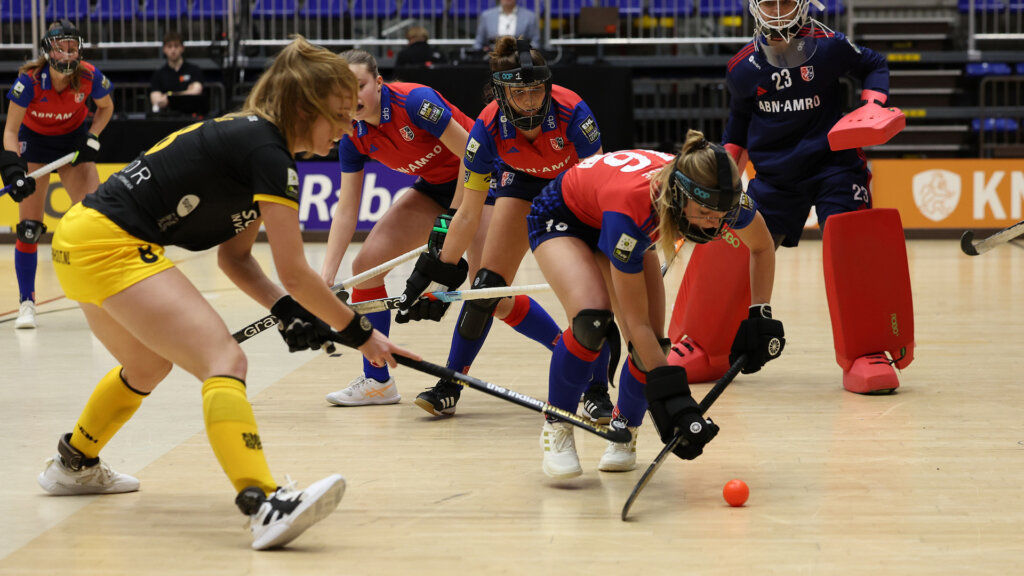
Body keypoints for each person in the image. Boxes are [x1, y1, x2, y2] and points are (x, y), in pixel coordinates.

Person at [35, 36, 416, 550]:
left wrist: (286, 310)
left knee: (147, 366)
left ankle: (73, 463)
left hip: (79, 240)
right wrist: (361, 333)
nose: (349, 128)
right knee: (225, 361)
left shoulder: (258, 145)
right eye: (341, 115)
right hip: (108, 243)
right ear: (308, 108)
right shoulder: (266, 151)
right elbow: (296, 271)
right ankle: (264, 504)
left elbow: (235, 259)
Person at [668, 0, 909, 394]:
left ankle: (867, 354)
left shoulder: (829, 45)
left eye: (785, 0)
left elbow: (874, 63)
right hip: (775, 177)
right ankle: (705, 346)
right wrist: (719, 176)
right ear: (754, 6)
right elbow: (738, 127)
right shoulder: (742, 68)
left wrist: (871, 105)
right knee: (731, 244)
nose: (777, 10)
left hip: (834, 167)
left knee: (852, 244)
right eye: (770, 1)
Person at [525, 132, 784, 478]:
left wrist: (760, 313)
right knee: (592, 321)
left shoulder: (721, 197)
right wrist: (675, 400)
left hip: (613, 215)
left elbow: (762, 247)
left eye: (723, 216)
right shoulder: (634, 209)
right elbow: (636, 325)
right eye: (706, 213)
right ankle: (557, 424)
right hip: (564, 218)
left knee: (654, 349)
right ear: (679, 196)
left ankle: (624, 431)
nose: (716, 225)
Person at [397, 37, 613, 421]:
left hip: (573, 188)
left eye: (536, 91)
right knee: (486, 289)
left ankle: (596, 390)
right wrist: (436, 276)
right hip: (520, 185)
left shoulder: (573, 111)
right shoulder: (485, 127)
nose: (530, 102)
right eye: (519, 93)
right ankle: (450, 383)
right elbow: (467, 214)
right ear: (501, 92)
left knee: (592, 299)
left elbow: (597, 189)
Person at [319, 49, 476, 407]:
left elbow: (472, 154)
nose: (352, 98)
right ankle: (378, 382)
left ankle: (575, 360)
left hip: (484, 180)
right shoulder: (352, 135)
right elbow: (346, 209)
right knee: (365, 268)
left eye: (359, 86)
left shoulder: (416, 102)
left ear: (378, 82)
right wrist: (326, 277)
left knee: (491, 288)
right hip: (435, 189)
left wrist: (454, 215)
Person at [1, 19, 113, 330]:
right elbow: (10, 131)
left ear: (80, 50)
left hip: (71, 144)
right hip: (34, 144)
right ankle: (27, 303)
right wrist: (14, 168)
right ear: (48, 51)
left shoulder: (89, 76)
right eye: (60, 48)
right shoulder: (29, 82)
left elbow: (106, 108)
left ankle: (101, 300)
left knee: (95, 222)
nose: (66, 54)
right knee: (29, 229)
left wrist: (92, 137)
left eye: (72, 48)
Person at [148, 30, 205, 115]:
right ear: (164, 49)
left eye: (176, 46)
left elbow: (196, 91)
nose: (173, 50)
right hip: (167, 117)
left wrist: (168, 96)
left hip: (190, 115)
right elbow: (156, 100)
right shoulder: (158, 74)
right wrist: (186, 93)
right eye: (169, 46)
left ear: (182, 48)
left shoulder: (194, 70)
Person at [473, 0, 541, 52]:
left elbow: (535, 42)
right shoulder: (486, 16)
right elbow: (478, 43)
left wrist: (526, 52)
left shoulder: (530, 16)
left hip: (520, 59)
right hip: (491, 59)